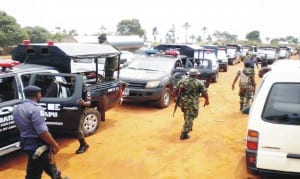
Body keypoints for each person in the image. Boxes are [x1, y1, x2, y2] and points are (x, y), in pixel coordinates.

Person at [12, 85, 68, 179]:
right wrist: (54, 144)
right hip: (37, 145)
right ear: (37, 95)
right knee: (33, 173)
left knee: (47, 163)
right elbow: (42, 132)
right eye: (40, 94)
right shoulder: (36, 109)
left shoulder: (17, 108)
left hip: (26, 142)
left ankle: (57, 177)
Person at [55, 77, 90, 154]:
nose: (72, 83)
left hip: (80, 110)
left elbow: (89, 103)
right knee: (73, 127)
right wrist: (59, 82)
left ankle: (83, 145)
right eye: (72, 81)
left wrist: (83, 103)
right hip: (72, 108)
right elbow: (67, 85)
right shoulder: (74, 86)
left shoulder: (85, 90)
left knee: (77, 129)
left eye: (74, 82)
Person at [173, 69, 209, 140]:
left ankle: (188, 125)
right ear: (196, 75)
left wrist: (175, 97)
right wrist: (207, 100)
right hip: (192, 103)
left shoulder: (182, 81)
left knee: (187, 114)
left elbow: (175, 90)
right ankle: (184, 133)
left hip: (183, 102)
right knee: (191, 116)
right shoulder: (199, 83)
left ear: (189, 74)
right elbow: (205, 93)